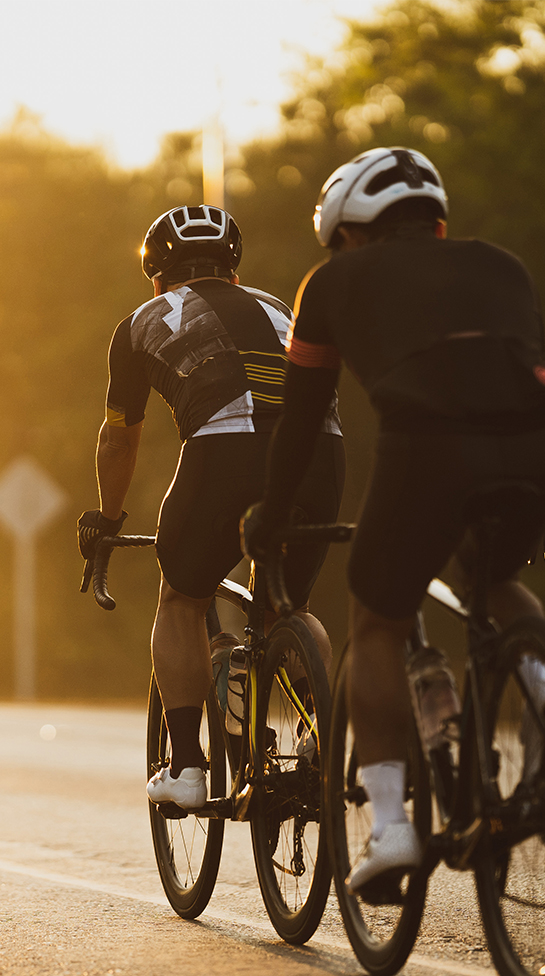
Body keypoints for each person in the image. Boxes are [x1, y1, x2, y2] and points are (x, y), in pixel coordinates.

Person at [243, 147, 545, 893]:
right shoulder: (503, 265)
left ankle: (390, 828)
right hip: (543, 441)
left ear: (350, 229)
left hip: (429, 443)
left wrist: (271, 513)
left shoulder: (330, 281)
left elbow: (300, 420)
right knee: (491, 578)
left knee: (377, 621)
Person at [78, 204, 345, 810]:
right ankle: (319, 738)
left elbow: (119, 437)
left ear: (155, 273)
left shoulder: (143, 320)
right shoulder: (282, 307)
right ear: (234, 267)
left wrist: (109, 519)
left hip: (226, 454)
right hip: (321, 453)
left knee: (181, 597)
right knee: (288, 607)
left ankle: (188, 767)